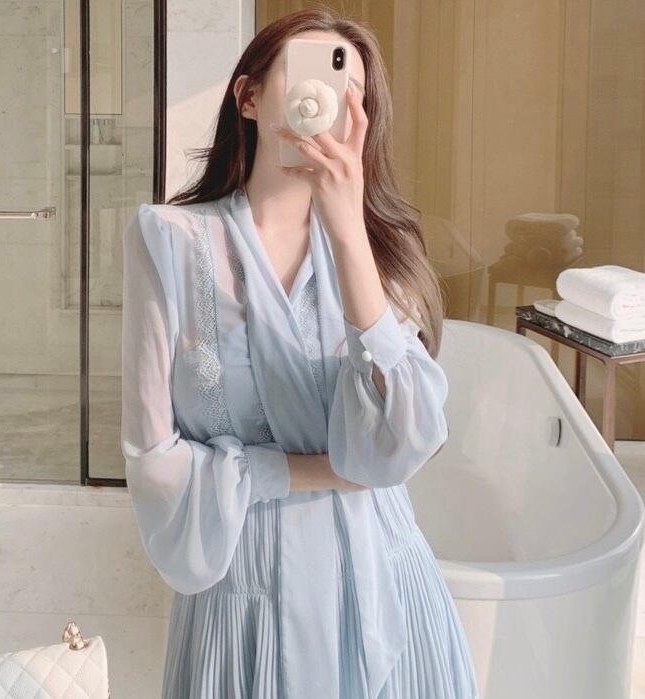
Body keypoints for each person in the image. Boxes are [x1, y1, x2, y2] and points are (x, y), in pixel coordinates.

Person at [121, 8, 479, 699]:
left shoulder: (382, 253)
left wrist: (346, 231)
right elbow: (152, 458)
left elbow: (406, 439)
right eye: (306, 73)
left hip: (383, 583)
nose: (325, 96)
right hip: (242, 592)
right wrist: (318, 470)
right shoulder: (168, 241)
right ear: (249, 96)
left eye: (349, 88)